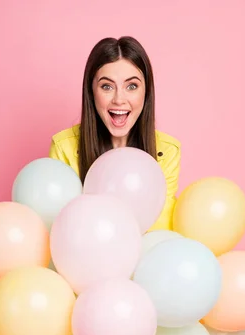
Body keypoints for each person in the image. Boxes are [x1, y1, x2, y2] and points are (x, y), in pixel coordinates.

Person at [49, 36, 181, 231]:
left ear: (146, 92)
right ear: (91, 91)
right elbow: (62, 228)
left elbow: (159, 232)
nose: (119, 99)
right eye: (107, 86)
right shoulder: (64, 148)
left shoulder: (167, 152)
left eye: (132, 86)